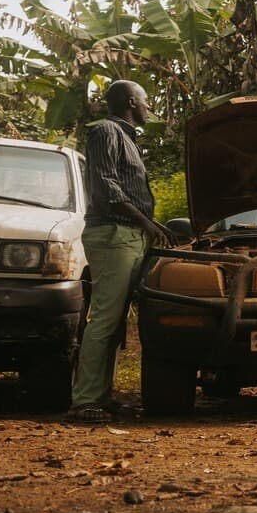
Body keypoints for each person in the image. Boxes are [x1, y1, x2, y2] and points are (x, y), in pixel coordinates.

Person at [69, 80, 172, 422]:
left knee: (114, 323)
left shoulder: (126, 138)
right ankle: (85, 401)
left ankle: (101, 396)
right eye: (145, 101)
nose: (148, 107)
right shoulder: (106, 132)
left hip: (127, 234)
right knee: (103, 319)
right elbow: (106, 186)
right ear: (131, 101)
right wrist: (146, 222)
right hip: (114, 233)